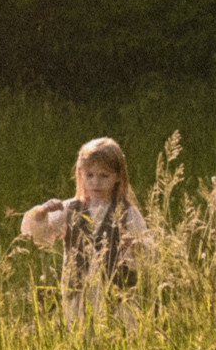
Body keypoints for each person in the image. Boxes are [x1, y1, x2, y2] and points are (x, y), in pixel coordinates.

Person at [20, 137, 148, 326]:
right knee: (81, 333)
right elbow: (40, 236)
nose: (96, 182)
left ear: (118, 177)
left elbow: (148, 250)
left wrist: (137, 246)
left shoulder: (127, 212)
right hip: (77, 297)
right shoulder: (70, 209)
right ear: (80, 175)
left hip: (117, 300)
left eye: (104, 176)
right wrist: (41, 215)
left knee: (117, 334)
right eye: (90, 175)